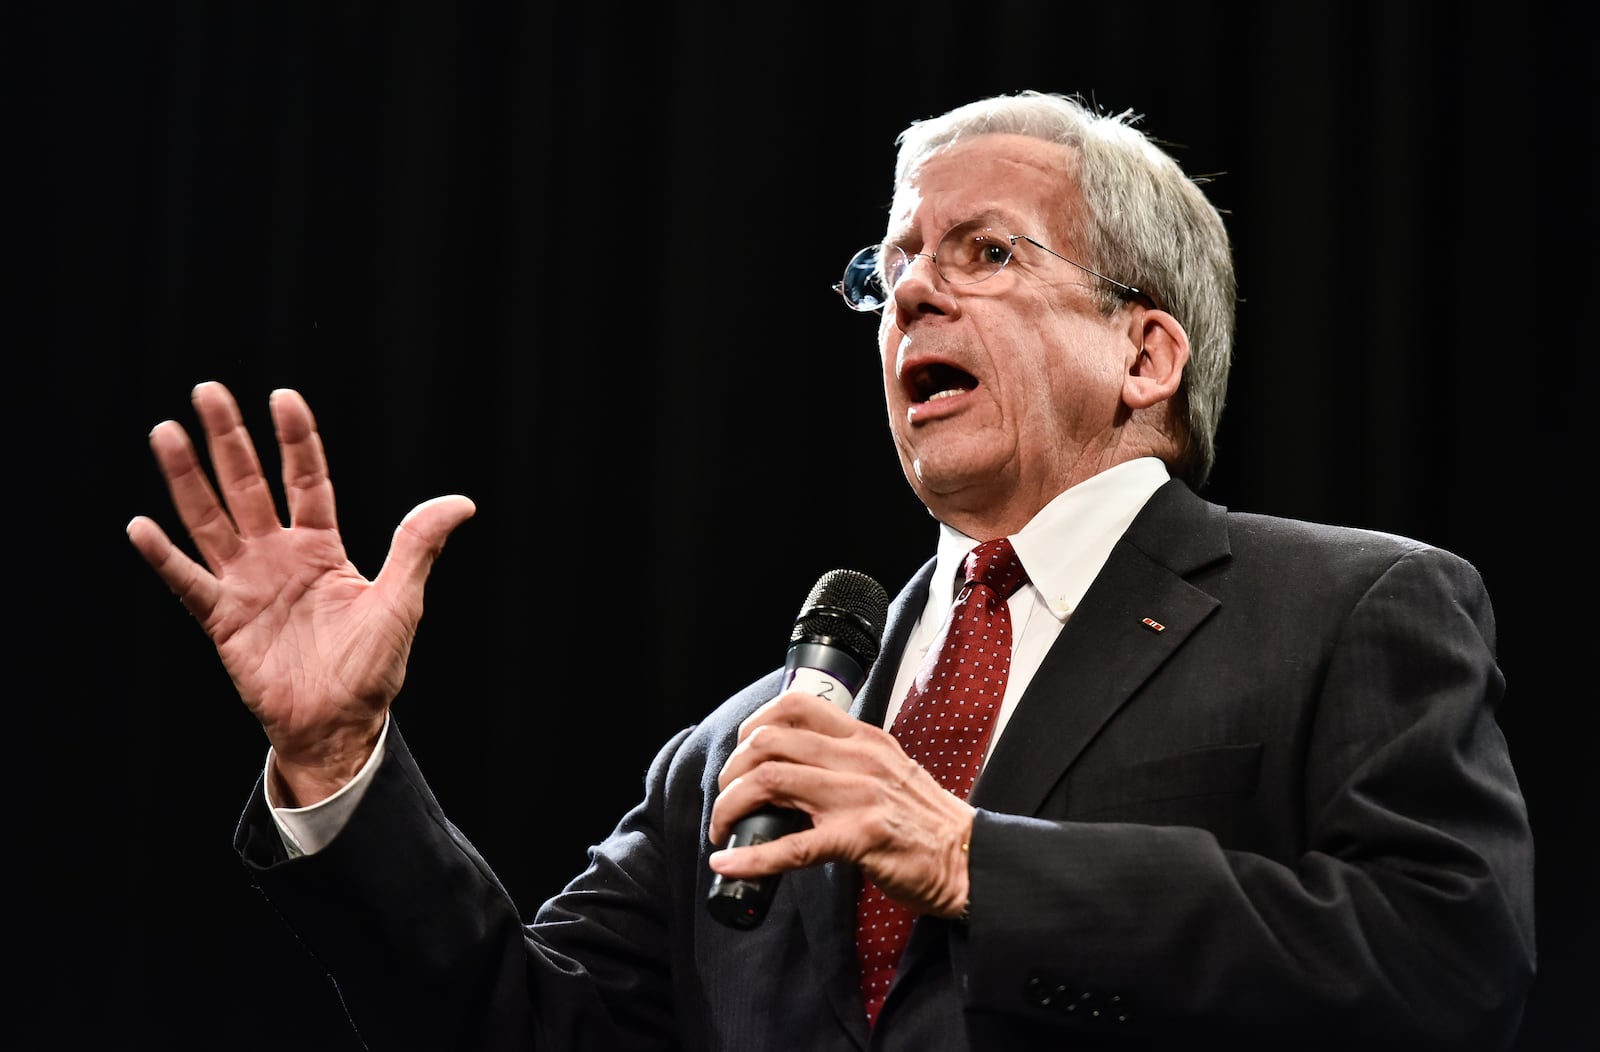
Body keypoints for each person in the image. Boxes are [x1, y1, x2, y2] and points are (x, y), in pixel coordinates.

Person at [126, 90, 1536, 1050]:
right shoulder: (753, 745)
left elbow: (1445, 968)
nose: (914, 290)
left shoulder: (1348, 612)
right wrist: (344, 764)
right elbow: (522, 1025)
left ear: (1144, 352)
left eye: (986, 251)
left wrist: (971, 860)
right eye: (895, 263)